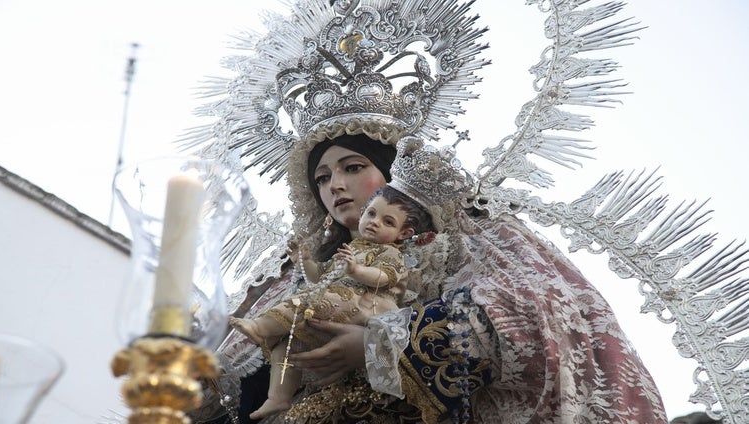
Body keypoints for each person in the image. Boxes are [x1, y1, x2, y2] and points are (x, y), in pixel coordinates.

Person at [187, 1, 672, 422]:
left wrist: (379, 345)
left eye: (353, 167)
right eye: (321, 177)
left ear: (393, 171)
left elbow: (538, 314)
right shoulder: (296, 271)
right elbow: (229, 373)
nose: (335, 186)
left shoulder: (471, 234)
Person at [228, 184, 435, 419]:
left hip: (364, 306)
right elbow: (322, 275)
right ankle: (278, 397)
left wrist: (356, 270)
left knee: (303, 302)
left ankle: (259, 328)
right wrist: (303, 261)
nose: (375, 222)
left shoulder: (390, 253)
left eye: (388, 222)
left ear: (404, 233)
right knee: (287, 346)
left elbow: (385, 277)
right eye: (371, 214)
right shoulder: (353, 247)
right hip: (336, 303)